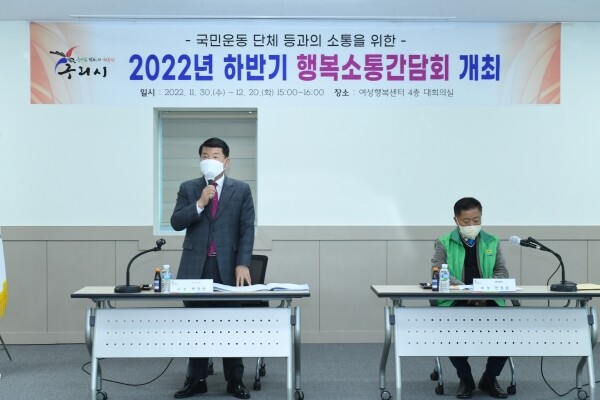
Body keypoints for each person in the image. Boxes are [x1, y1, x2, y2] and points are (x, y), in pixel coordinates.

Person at [171, 137, 255, 399]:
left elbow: (246, 229)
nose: (210, 159)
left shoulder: (241, 189)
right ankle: (196, 379)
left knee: (231, 325)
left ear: (226, 162)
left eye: (215, 156)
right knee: (196, 325)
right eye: (205, 155)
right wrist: (199, 204)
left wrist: (242, 263)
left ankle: (235, 380)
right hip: (196, 267)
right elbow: (176, 222)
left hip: (228, 267)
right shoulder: (189, 188)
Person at [431, 197, 509, 399]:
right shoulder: (443, 242)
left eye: (476, 220)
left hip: (489, 299)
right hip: (456, 300)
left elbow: (501, 272)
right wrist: (467, 290)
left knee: (507, 333)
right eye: (466, 221)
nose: (472, 225)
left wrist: (483, 290)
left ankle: (489, 378)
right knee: (452, 335)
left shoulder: (492, 241)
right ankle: (465, 379)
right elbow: (438, 271)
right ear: (456, 220)